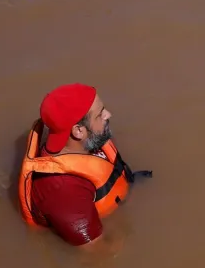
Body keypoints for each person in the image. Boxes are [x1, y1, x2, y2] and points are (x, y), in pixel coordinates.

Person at [17, 84, 150, 247]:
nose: (108, 115)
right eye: (100, 115)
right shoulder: (64, 193)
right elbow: (99, 255)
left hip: (122, 192)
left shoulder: (84, 141)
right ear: (78, 131)